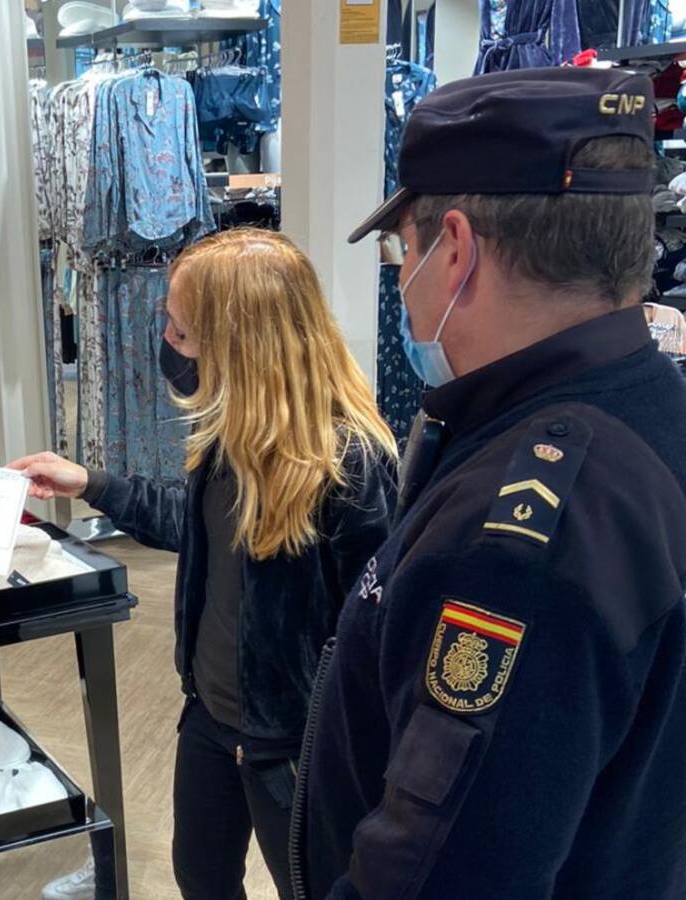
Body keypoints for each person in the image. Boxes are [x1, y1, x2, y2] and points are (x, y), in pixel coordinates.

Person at [294, 67, 686, 900]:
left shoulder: (515, 538)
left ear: (456, 250)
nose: (403, 277)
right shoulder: (652, 407)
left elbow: (441, 873)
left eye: (404, 251)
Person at [12, 229, 397, 900]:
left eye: (183, 332)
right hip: (210, 715)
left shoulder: (347, 462)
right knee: (200, 874)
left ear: (240, 342)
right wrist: (91, 483)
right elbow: (194, 531)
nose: (168, 343)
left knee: (310, 885)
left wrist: (341, 752)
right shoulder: (229, 432)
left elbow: (378, 634)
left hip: (293, 743)